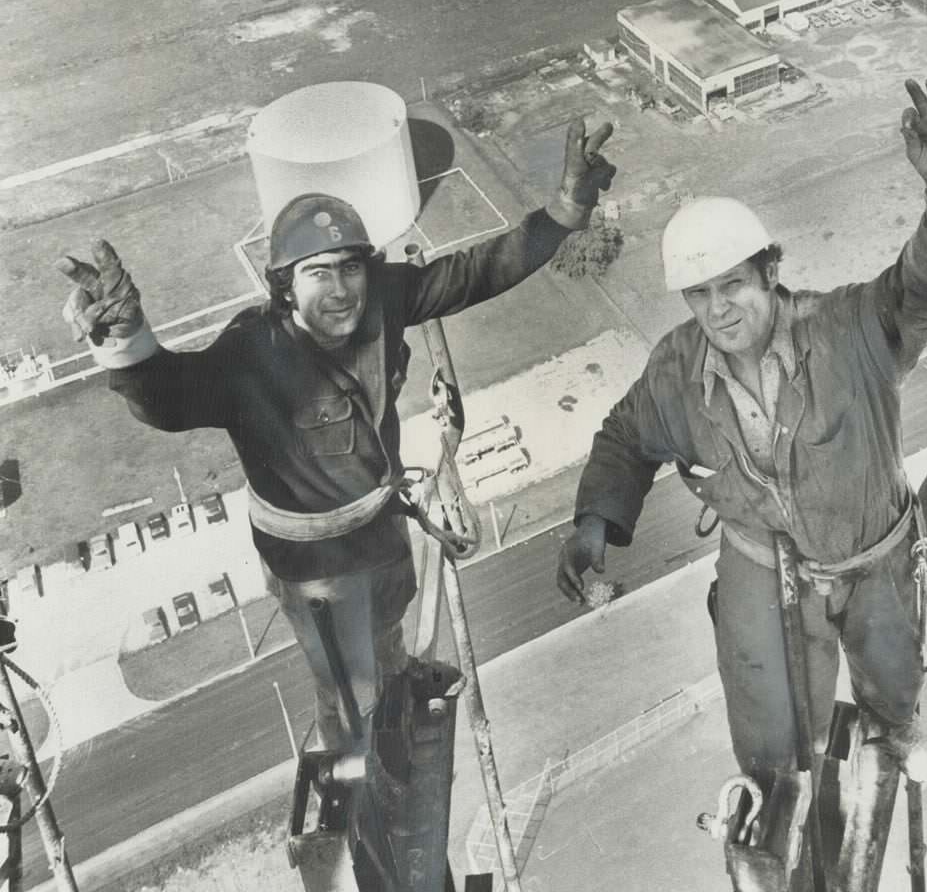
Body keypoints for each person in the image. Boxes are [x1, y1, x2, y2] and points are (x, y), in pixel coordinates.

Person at [59, 115, 614, 751]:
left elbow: (482, 269)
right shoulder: (250, 353)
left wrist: (568, 208)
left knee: (388, 627)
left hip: (377, 526)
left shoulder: (384, 296)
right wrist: (126, 339)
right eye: (318, 272)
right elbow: (169, 400)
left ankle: (395, 684)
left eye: (350, 268)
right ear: (284, 288)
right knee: (351, 694)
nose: (343, 289)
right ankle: (359, 773)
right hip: (313, 565)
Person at [557, 79, 927, 790]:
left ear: (769, 271)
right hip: (759, 565)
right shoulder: (676, 366)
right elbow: (625, 438)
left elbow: (925, 289)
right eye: (698, 294)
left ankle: (893, 732)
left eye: (731, 285)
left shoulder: (847, 328)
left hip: (873, 556)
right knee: (767, 726)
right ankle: (776, 799)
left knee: (891, 677)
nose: (716, 310)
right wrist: (592, 524)